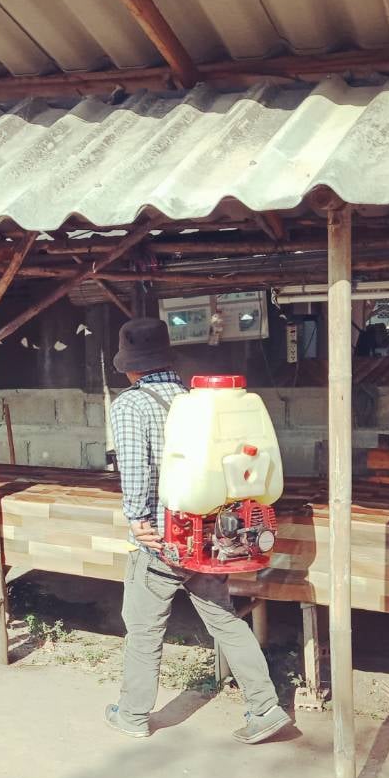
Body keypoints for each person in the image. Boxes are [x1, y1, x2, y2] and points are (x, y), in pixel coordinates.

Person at [104, 317, 291, 745]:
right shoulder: (201, 402)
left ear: (131, 367)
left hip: (161, 538)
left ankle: (132, 714)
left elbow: (135, 469)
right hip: (211, 537)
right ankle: (265, 708)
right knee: (225, 620)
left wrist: (137, 519)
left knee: (144, 629)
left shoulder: (132, 404)